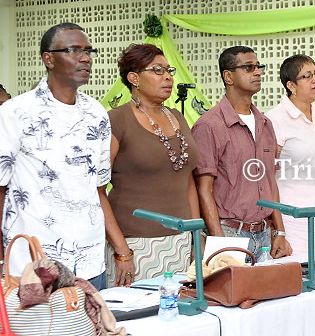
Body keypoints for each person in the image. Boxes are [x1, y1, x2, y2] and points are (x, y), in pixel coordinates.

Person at [0, 23, 110, 289]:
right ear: (48, 59)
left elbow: (99, 186)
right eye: (74, 50)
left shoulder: (96, 112)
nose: (85, 58)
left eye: (88, 51)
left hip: (90, 258)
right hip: (33, 259)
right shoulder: (15, 112)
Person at [103, 44, 200, 287]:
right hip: (134, 243)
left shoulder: (177, 117)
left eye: (169, 70)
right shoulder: (117, 119)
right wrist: (122, 251)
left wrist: (195, 235)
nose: (168, 77)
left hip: (180, 240)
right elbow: (96, 190)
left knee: (179, 307)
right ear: (134, 78)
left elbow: (187, 180)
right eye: (157, 70)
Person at [192, 46, 291, 261]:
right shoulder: (209, 125)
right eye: (248, 67)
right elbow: (204, 189)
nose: (258, 72)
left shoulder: (265, 124)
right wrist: (220, 242)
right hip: (228, 232)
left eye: (258, 67)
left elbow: (270, 181)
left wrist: (280, 232)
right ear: (228, 76)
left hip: (264, 234)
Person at [266, 54, 315, 257]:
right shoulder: (275, 119)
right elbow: (267, 177)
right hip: (292, 219)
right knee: (298, 273)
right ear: (291, 85)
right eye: (307, 76)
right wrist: (279, 230)